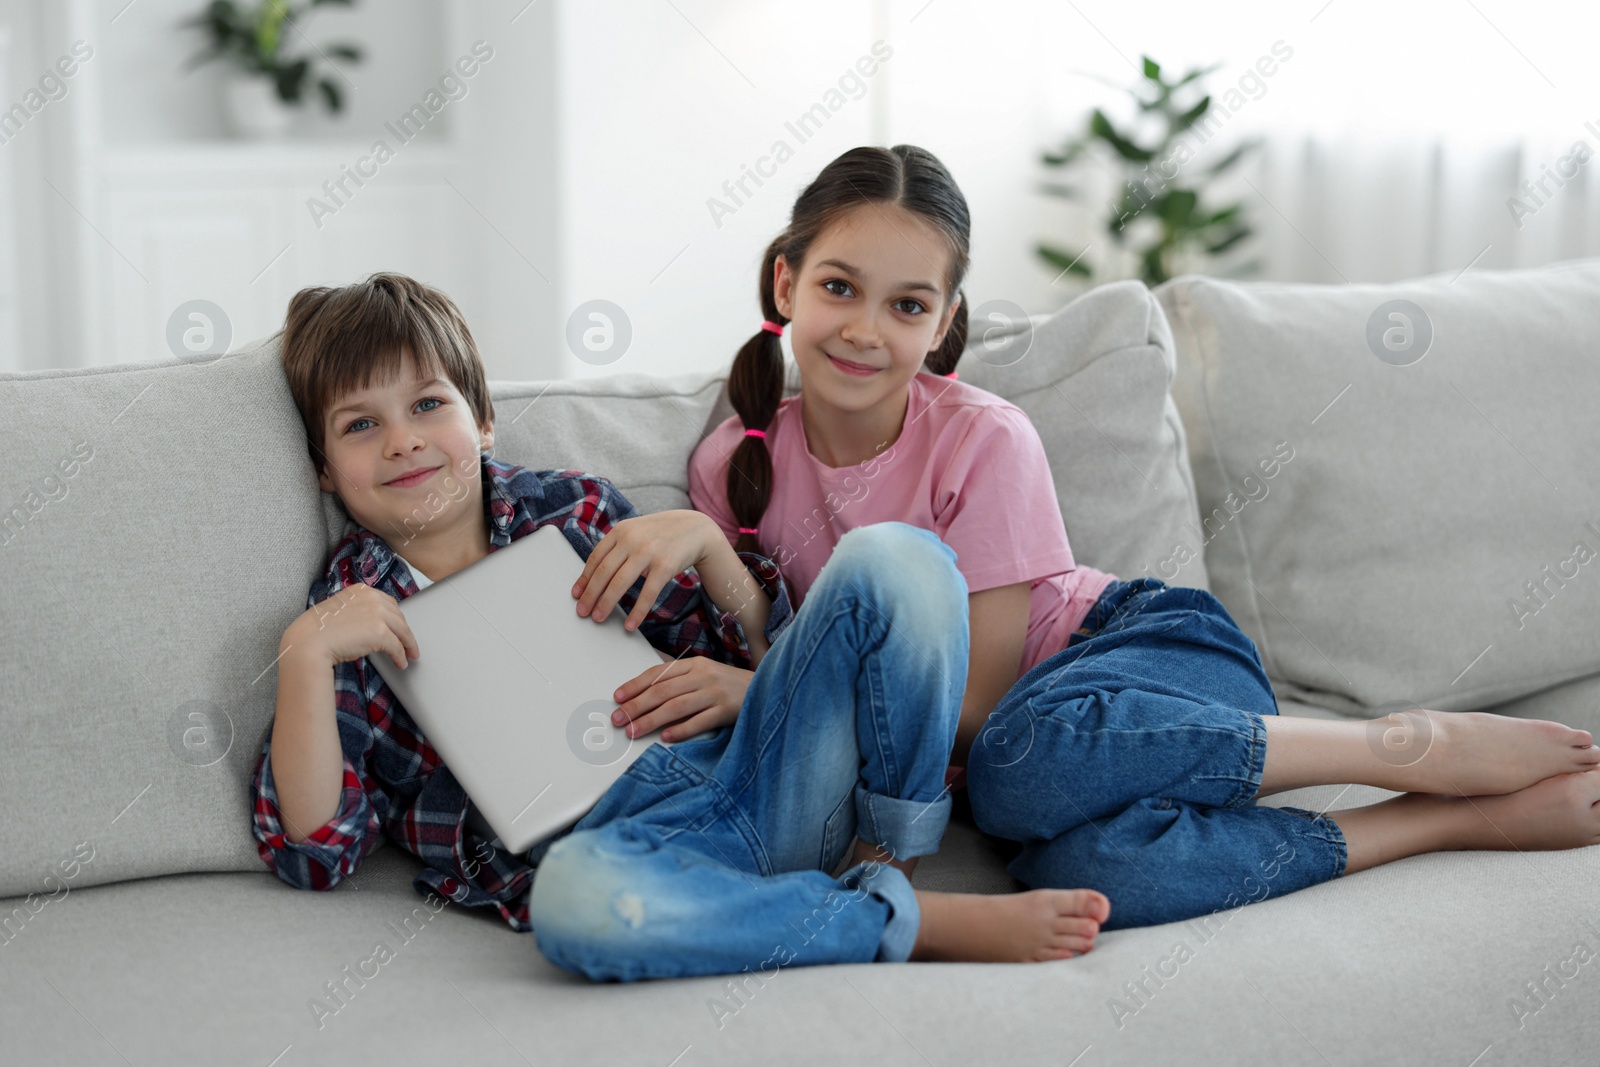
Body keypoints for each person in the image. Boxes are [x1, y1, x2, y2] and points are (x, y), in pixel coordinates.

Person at [685, 144, 1600, 930]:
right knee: (1086, 871)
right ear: (786, 282)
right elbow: (775, 643)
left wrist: (760, 691)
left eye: (908, 305)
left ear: (946, 321)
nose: (864, 330)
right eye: (839, 287)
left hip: (1141, 656)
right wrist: (707, 545)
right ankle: (1440, 821)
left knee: (1012, 762)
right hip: (1043, 768)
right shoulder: (736, 462)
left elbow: (974, 706)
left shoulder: (981, 435)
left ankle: (1398, 745)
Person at [249, 271, 1110, 983]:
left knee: (901, 558)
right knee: (575, 908)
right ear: (325, 470)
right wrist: (303, 655)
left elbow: (766, 655)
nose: (402, 441)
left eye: (425, 405)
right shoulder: (349, 612)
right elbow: (317, 849)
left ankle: (890, 858)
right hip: (642, 851)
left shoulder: (571, 511)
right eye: (361, 425)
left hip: (771, 774)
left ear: (481, 419)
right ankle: (889, 918)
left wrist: (709, 550)